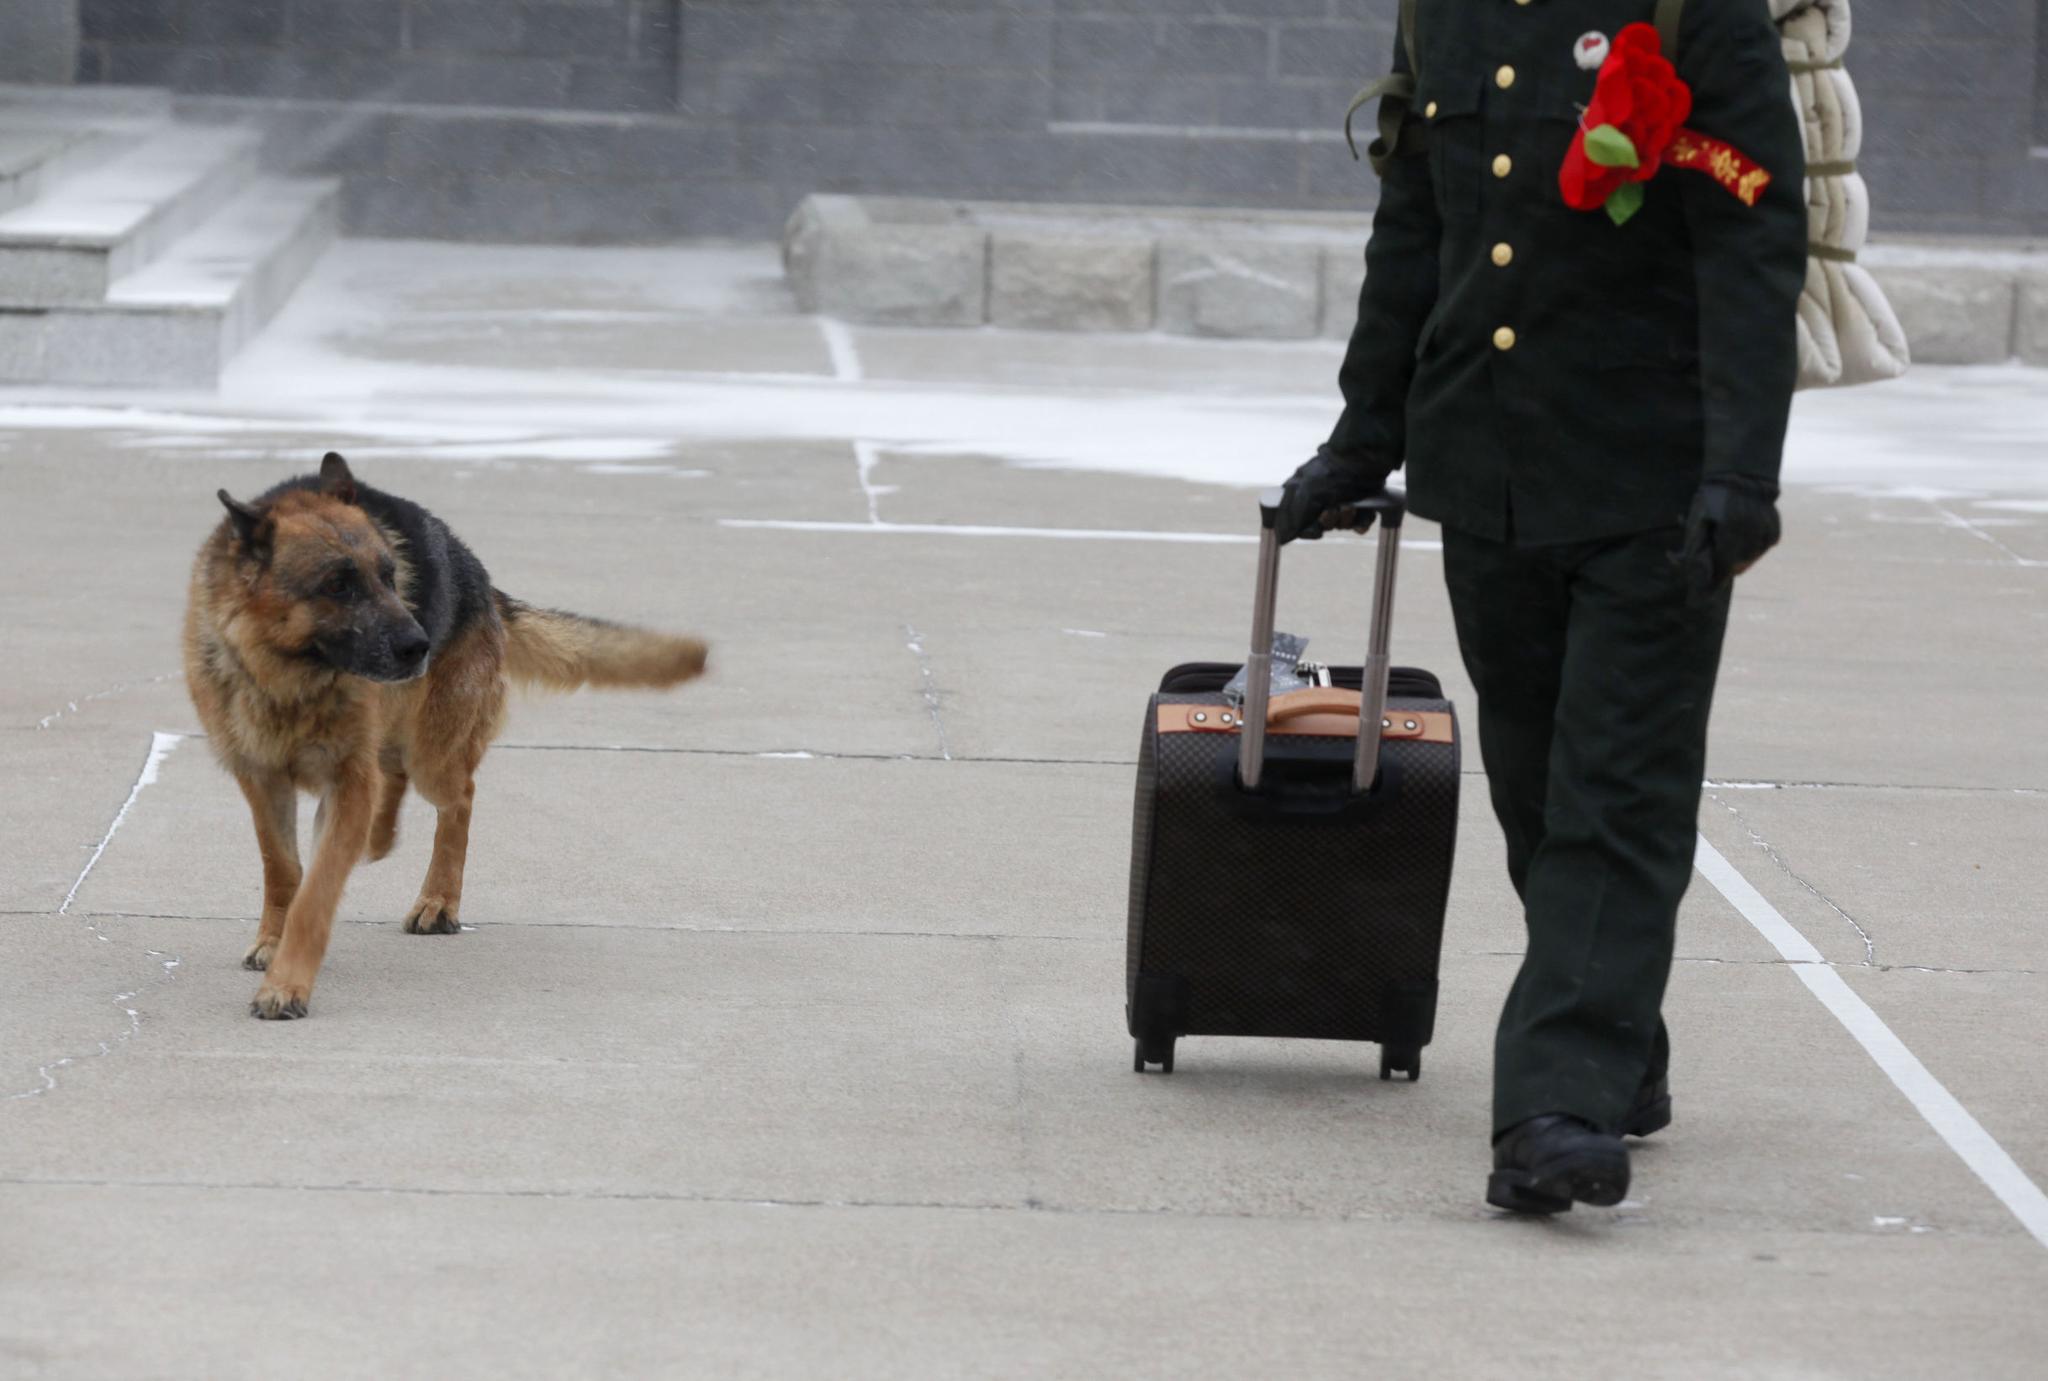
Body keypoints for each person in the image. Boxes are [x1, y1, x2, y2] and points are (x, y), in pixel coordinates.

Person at [1278, 0, 1806, 1213]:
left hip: (1648, 479)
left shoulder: (1690, 13)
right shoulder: (1444, 14)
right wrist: (1360, 441)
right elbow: (1414, 230)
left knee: (1613, 797)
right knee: (1531, 789)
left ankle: (1554, 1108)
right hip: (1488, 469)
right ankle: (1620, 1050)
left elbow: (1748, 235)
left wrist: (1741, 468)